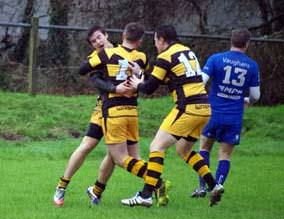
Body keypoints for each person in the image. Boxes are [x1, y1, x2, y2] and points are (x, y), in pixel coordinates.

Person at [121, 25, 224, 208]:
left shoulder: (164, 57)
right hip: (204, 108)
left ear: (161, 39)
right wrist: (141, 73)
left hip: (188, 108)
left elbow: (149, 88)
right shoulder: (187, 51)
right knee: (183, 150)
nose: (155, 44)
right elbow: (168, 78)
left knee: (156, 146)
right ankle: (213, 184)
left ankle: (145, 195)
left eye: (155, 40)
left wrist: (137, 83)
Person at [78, 22, 171, 206]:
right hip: (132, 112)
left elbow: (82, 69)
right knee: (130, 158)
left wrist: (100, 67)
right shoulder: (142, 57)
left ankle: (159, 182)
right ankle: (96, 191)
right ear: (140, 40)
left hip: (114, 111)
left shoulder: (107, 54)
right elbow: (145, 80)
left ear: (122, 36)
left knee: (120, 158)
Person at [53, 25, 131, 206]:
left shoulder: (124, 51)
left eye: (99, 37)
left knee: (114, 154)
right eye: (94, 41)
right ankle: (62, 185)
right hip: (103, 110)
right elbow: (96, 80)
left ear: (106, 34)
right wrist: (114, 88)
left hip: (123, 110)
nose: (98, 42)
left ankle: (97, 191)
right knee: (87, 145)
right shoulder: (95, 58)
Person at [190, 28, 260, 198]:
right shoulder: (252, 65)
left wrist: (203, 97)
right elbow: (256, 96)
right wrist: (247, 101)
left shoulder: (216, 59)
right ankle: (218, 185)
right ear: (247, 44)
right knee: (225, 154)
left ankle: (202, 187)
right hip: (234, 116)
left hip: (212, 112)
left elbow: (201, 81)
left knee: (204, 148)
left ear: (231, 40)